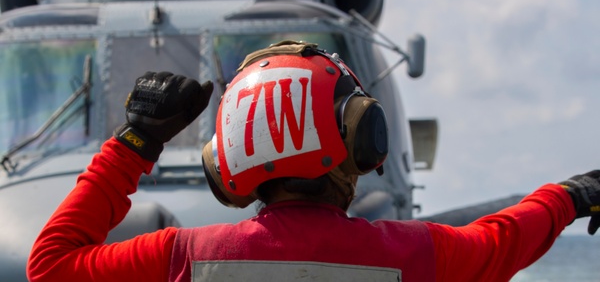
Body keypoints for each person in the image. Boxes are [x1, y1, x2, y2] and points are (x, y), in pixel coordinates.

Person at [27, 40, 600, 282]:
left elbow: (49, 266)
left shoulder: (181, 257)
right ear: (359, 138)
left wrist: (135, 142)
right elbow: (503, 240)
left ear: (227, 158)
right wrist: (573, 194)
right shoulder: (417, 253)